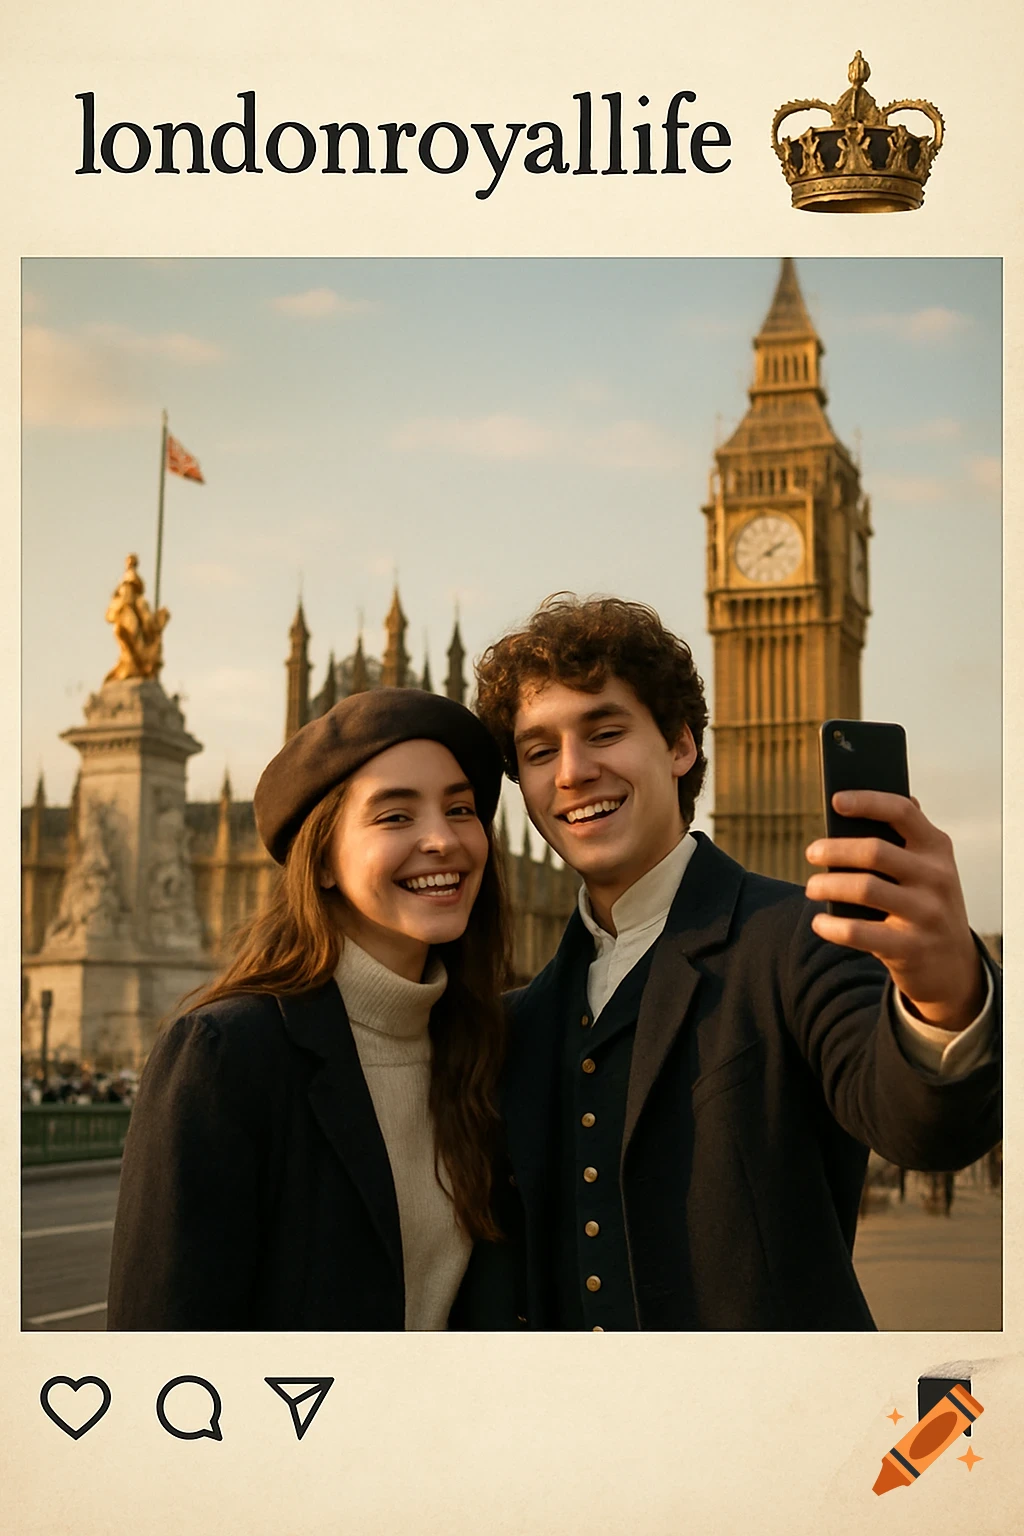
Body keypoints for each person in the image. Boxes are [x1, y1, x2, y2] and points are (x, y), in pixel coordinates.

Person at [474, 594, 1000, 1331]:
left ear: (681, 746)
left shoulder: (801, 938)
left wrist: (945, 1001)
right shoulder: (516, 1022)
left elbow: (920, 1124)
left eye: (605, 730)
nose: (572, 771)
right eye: (537, 752)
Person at [107, 689, 519, 1331]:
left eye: (460, 809)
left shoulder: (484, 1050)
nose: (441, 839)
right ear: (322, 858)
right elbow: (164, 1351)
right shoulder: (226, 1055)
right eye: (394, 817)